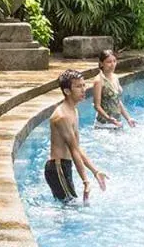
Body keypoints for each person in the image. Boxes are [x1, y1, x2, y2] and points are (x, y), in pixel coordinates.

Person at [46, 69, 109, 204]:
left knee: (69, 205)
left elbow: (77, 147)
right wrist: (85, 181)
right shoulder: (62, 116)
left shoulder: (73, 109)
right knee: (70, 207)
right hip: (57, 168)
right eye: (78, 86)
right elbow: (73, 150)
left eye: (83, 85)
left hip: (64, 166)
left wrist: (95, 171)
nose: (83, 90)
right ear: (67, 91)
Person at [93, 50, 136, 129]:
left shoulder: (115, 77)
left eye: (114, 61)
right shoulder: (99, 81)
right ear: (101, 63)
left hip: (117, 122)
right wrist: (108, 118)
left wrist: (128, 118)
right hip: (104, 125)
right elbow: (97, 106)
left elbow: (117, 101)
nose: (112, 64)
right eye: (109, 62)